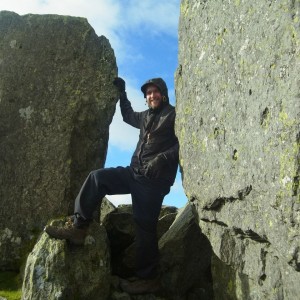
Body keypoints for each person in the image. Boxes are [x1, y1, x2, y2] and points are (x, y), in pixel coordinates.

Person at [45, 77, 179, 294]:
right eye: (148, 93)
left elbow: (183, 143)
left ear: (163, 94)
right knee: (97, 178)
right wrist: (123, 94)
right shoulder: (145, 116)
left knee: (144, 225)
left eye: (155, 92)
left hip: (153, 181)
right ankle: (79, 227)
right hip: (133, 173)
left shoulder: (173, 115)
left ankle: (149, 278)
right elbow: (127, 116)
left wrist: (163, 158)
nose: (151, 95)